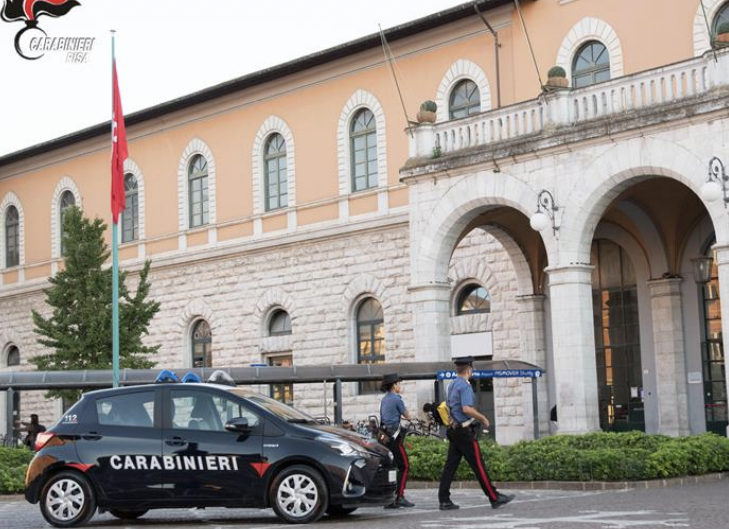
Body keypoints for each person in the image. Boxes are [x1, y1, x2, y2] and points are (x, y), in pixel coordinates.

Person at [438, 357, 514, 511]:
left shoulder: (451, 385)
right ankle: (494, 497)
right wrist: (483, 417)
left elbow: (450, 407)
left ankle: (444, 500)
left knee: (450, 466)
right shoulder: (464, 386)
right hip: (464, 432)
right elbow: (466, 409)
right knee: (478, 464)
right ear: (469, 369)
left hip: (453, 430)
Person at [379, 372, 414, 509]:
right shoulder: (397, 399)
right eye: (399, 383)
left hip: (384, 437)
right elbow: (407, 415)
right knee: (404, 466)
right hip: (394, 438)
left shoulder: (384, 399)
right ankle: (399, 497)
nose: (400, 386)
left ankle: (389, 499)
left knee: (390, 467)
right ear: (394, 385)